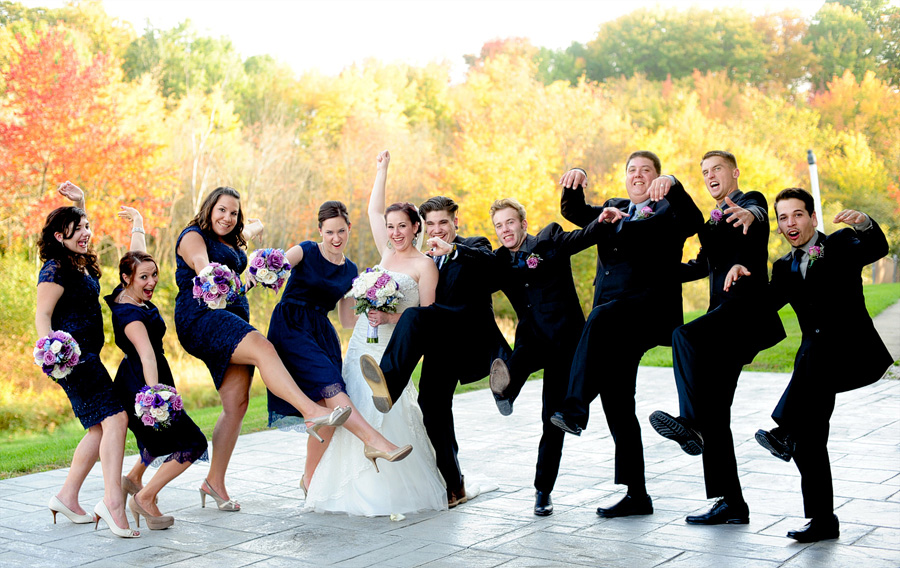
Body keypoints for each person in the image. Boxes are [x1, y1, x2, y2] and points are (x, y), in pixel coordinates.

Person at [725, 188, 892, 542]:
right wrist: (742, 277)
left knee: (813, 364)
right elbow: (766, 303)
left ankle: (783, 428)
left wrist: (864, 223)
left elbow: (878, 248)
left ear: (813, 218)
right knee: (811, 439)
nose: (790, 223)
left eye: (797, 214)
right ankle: (822, 520)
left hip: (854, 355)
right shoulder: (782, 267)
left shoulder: (842, 243)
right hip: (815, 368)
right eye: (783, 217)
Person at [175, 186, 351, 512]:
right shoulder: (192, 236)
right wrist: (212, 277)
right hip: (201, 316)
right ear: (209, 209)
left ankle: (214, 481)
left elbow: (246, 247)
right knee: (263, 347)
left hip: (232, 318)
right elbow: (202, 264)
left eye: (233, 213)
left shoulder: (231, 238)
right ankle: (311, 413)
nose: (227, 217)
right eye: (222, 210)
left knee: (237, 404)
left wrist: (257, 251)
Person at [549, 152, 703, 519]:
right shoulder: (614, 208)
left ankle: (573, 407)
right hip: (614, 318)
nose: (637, 176)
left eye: (646, 171)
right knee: (617, 401)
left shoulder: (668, 211)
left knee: (600, 316)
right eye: (632, 170)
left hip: (647, 310)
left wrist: (676, 187)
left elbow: (694, 220)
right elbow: (574, 212)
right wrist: (577, 177)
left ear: (657, 178)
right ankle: (637, 495)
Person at [304, 150, 447, 516]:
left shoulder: (424, 266)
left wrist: (391, 317)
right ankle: (341, 487)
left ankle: (386, 490)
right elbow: (373, 211)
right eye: (391, 226)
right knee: (352, 407)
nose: (395, 232)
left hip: (391, 349)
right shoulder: (385, 253)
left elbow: (427, 318)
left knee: (382, 408)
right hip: (360, 347)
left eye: (402, 226)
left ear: (416, 227)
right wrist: (382, 169)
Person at [648, 150, 785, 525]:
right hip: (724, 326)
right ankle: (732, 503)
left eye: (717, 169)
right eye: (705, 171)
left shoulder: (748, 202)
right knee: (715, 414)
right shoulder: (712, 224)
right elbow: (698, 262)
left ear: (734, 173)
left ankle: (689, 422)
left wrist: (751, 212)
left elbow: (757, 212)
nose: (710, 176)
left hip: (745, 312)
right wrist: (656, 271)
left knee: (683, 336)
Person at [359, 195, 511, 507]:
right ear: (423, 228)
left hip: (467, 337)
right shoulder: (427, 259)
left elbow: (491, 265)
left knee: (416, 316)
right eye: (431, 225)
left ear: (456, 221)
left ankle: (388, 384)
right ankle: (455, 485)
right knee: (433, 409)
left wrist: (455, 250)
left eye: (443, 222)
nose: (437, 230)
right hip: (440, 344)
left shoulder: (474, 247)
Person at [266, 200, 412, 494]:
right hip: (292, 325)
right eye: (330, 231)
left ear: (348, 230)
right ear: (320, 230)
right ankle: (374, 442)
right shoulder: (305, 250)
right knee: (333, 391)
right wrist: (258, 271)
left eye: (341, 231)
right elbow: (273, 269)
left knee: (328, 411)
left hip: (323, 332)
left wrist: (373, 299)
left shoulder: (351, 269)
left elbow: (346, 318)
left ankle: (308, 480)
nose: (336, 238)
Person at [486, 197, 605, 516]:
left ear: (523, 224)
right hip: (531, 339)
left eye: (510, 222)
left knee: (550, 421)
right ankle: (504, 391)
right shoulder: (498, 260)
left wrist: (601, 221)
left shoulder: (549, 239)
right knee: (519, 359)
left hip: (565, 343)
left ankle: (543, 491)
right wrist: (451, 249)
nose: (504, 230)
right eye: (499, 225)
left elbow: (582, 237)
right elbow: (472, 268)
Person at [35, 182, 142, 538]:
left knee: (99, 428)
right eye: (77, 229)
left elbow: (81, 229)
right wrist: (54, 355)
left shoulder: (77, 262)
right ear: (58, 235)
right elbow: (42, 316)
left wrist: (81, 203)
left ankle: (67, 497)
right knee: (117, 419)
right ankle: (113, 503)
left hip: (89, 355)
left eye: (86, 228)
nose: (85, 233)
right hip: (73, 360)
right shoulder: (54, 268)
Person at [106, 251, 210, 530]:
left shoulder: (125, 293)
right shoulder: (131, 317)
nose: (151, 281)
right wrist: (156, 397)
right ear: (126, 278)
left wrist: (138, 223)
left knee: (159, 440)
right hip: (143, 383)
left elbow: (134, 255)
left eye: (154, 274)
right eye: (144, 277)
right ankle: (145, 497)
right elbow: (148, 355)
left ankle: (133, 478)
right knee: (193, 443)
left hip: (133, 376)